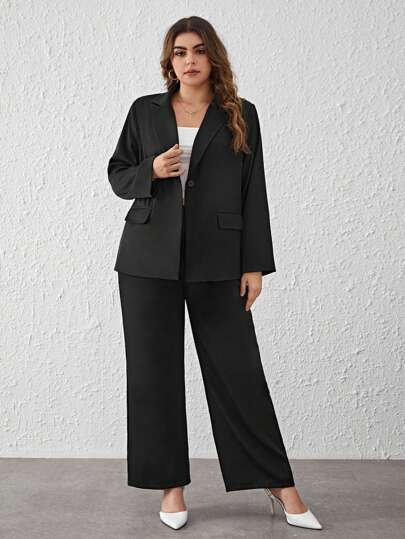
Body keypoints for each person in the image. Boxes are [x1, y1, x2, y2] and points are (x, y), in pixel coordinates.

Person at [107, 15, 322, 532]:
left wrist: (254, 264)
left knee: (238, 371)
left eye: (199, 50)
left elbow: (254, 190)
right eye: (180, 52)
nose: (190, 60)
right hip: (147, 260)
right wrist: (150, 171)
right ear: (170, 60)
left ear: (213, 57)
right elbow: (118, 174)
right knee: (154, 377)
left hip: (219, 260)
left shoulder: (240, 113)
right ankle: (171, 488)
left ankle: (279, 484)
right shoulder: (144, 110)